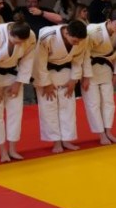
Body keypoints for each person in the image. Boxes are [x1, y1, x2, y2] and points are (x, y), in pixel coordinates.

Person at [0, 18, 36, 162]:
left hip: (12, 75)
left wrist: (19, 82)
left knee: (15, 112)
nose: (19, 45)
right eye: (16, 41)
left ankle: (13, 150)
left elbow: (27, 60)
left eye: (22, 42)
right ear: (10, 32)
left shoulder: (30, 36)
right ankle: (3, 152)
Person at [34, 18, 88, 154]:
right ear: (66, 33)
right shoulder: (47, 36)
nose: (78, 43)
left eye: (79, 41)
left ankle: (67, 139)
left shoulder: (82, 39)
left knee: (68, 106)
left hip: (66, 72)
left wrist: (73, 80)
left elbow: (78, 59)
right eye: (75, 40)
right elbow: (39, 62)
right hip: (46, 72)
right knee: (49, 107)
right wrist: (46, 84)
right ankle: (56, 141)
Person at [81, 8, 116, 146]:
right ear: (109, 21)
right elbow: (84, 54)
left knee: (109, 102)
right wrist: (86, 76)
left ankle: (108, 131)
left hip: (106, 69)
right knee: (93, 103)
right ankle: (101, 134)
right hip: (90, 69)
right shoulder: (93, 31)